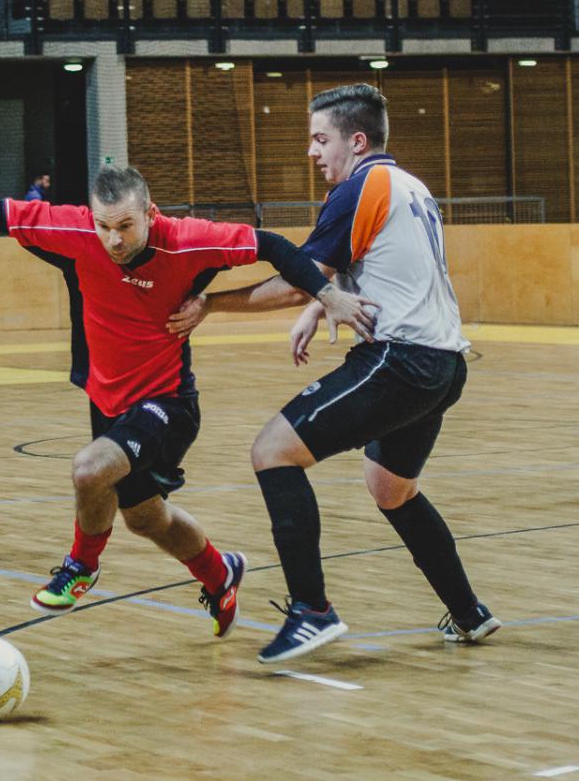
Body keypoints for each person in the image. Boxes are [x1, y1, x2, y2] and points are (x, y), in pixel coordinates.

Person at [0, 135, 374, 638]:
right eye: (104, 226)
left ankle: (81, 567)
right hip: (107, 402)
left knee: (89, 470)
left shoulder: (187, 240)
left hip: (167, 403)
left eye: (126, 225)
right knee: (145, 518)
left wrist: (327, 295)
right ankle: (221, 574)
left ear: (150, 213)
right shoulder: (74, 232)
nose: (114, 239)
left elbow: (274, 245)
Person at [167, 83, 500, 662]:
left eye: (321, 140)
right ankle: (468, 612)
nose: (312, 151)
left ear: (358, 140)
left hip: (399, 360)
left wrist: (211, 305)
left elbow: (299, 279)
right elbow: (381, 267)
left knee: (273, 451)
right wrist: (322, 306)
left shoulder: (358, 187)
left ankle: (311, 611)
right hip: (445, 365)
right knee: (392, 489)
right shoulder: (409, 185)